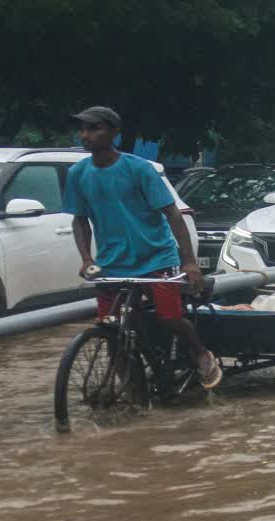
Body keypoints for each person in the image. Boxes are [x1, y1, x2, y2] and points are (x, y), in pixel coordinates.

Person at [62, 106, 222, 388]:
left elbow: (172, 213)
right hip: (111, 263)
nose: (86, 135)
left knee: (170, 318)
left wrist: (189, 262)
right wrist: (86, 259)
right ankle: (134, 393)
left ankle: (200, 352)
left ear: (113, 132)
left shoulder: (138, 169)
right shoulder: (78, 173)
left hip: (155, 258)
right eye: (83, 129)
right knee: (113, 327)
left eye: (94, 128)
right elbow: (80, 220)